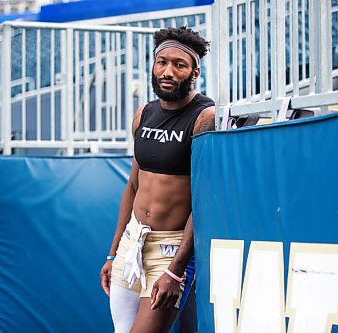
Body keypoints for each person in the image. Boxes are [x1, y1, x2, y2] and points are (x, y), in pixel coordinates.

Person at [100, 26, 215, 333]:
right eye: (162, 62)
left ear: (194, 72)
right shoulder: (144, 114)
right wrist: (114, 253)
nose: (168, 71)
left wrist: (176, 269)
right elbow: (133, 187)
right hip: (132, 242)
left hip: (170, 248)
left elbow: (203, 202)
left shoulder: (204, 117)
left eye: (179, 65)